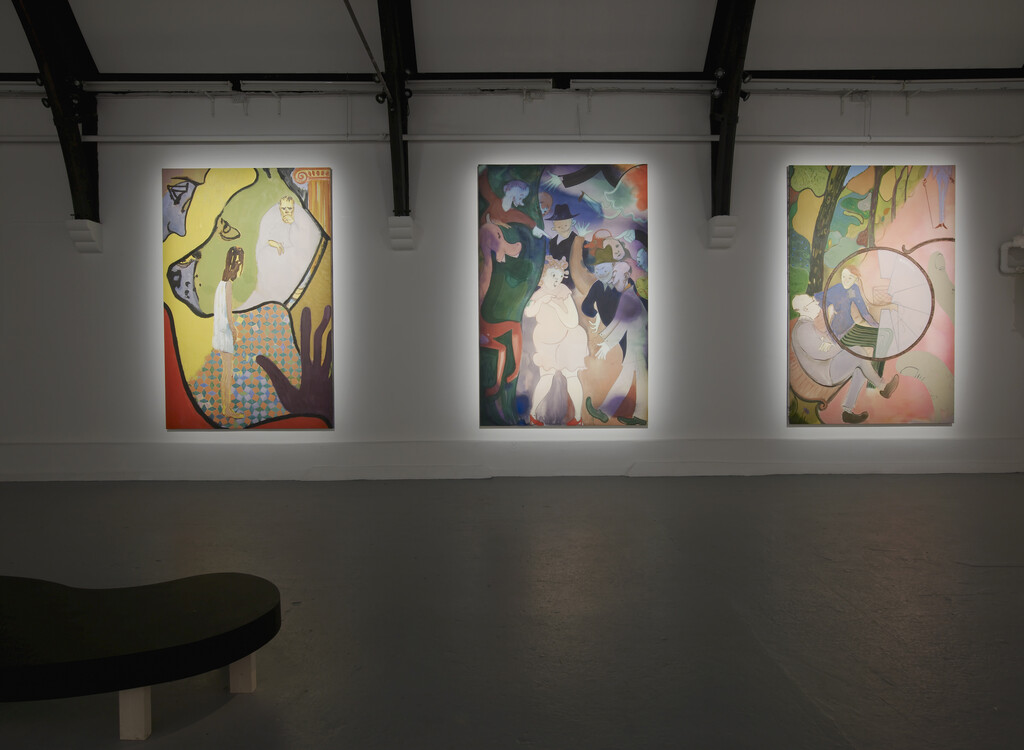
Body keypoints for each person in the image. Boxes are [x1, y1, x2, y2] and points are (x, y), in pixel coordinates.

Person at [790, 294, 899, 424]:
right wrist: (842, 345)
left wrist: (833, 342)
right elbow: (822, 353)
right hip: (825, 372)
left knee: (861, 365)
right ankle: (882, 386)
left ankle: (847, 411)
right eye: (813, 302)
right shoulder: (803, 329)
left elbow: (825, 344)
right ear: (805, 309)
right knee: (858, 351)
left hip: (827, 366)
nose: (817, 303)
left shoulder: (807, 325)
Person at [523, 256, 588, 425]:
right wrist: (541, 301)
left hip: (567, 339)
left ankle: (578, 417)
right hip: (546, 341)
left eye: (559, 277)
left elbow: (572, 321)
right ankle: (533, 415)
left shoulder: (563, 292)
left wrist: (555, 306)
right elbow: (529, 312)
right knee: (546, 376)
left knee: (571, 376)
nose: (557, 280)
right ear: (543, 276)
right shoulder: (538, 294)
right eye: (553, 275)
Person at [585, 262, 648, 426]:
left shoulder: (629, 297)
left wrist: (607, 344)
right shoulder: (628, 295)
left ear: (625, 276)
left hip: (638, 345)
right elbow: (619, 321)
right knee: (635, 377)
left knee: (635, 377)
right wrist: (604, 338)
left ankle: (605, 412)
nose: (612, 279)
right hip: (636, 344)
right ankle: (638, 416)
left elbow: (622, 324)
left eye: (614, 275)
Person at [241, 195, 321, 308]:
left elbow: (302, 243)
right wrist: (276, 244)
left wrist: (293, 224)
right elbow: (266, 239)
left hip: (289, 256)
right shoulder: (273, 220)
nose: (286, 211)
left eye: (289, 209)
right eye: (284, 209)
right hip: (274, 254)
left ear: (293, 208)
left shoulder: (297, 222)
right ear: (280, 208)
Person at [213, 246, 245, 419]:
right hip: (225, 331)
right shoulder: (228, 286)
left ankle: (225, 407)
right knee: (228, 373)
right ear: (237, 265)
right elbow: (228, 312)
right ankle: (227, 409)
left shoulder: (220, 284)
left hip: (219, 330)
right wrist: (234, 330)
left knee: (225, 373)